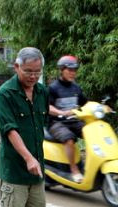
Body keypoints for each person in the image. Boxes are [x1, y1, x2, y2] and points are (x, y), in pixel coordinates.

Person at [0, 47, 50, 207]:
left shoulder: (42, 91)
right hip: (16, 166)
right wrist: (28, 158)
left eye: (37, 71)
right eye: (28, 71)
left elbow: (43, 120)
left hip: (36, 163)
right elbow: (10, 130)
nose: (33, 76)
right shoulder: (5, 94)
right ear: (16, 67)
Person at [48, 55, 88, 183]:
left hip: (74, 121)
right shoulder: (53, 88)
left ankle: (90, 163)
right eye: (69, 70)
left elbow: (86, 103)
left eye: (74, 70)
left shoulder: (76, 87)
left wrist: (100, 108)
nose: (72, 73)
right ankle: (74, 169)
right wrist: (61, 112)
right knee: (69, 139)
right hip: (56, 122)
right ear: (62, 70)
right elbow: (47, 107)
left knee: (92, 133)